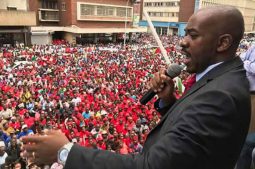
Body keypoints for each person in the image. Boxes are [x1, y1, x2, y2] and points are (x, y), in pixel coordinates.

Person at [21, 6, 251, 169]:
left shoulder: (221, 95)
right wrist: (169, 101)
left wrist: (65, 152)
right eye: (184, 34)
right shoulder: (221, 78)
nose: (182, 42)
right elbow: (193, 129)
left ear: (223, 42)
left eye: (193, 35)